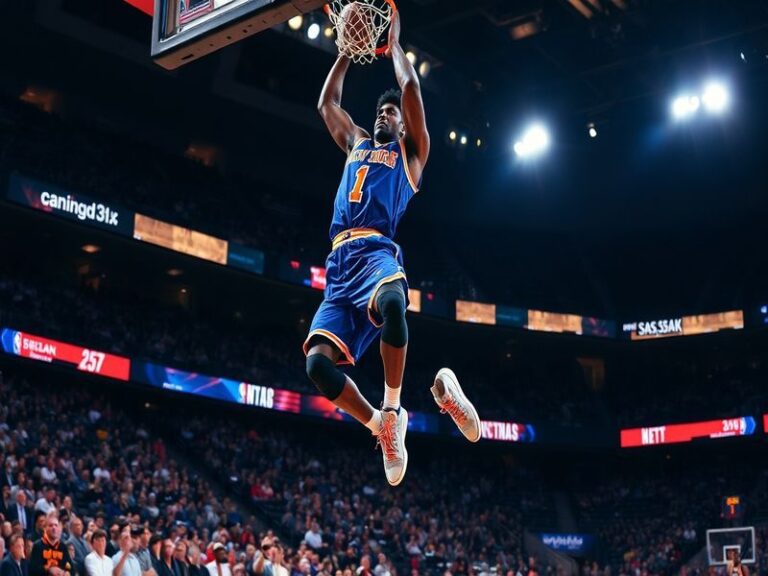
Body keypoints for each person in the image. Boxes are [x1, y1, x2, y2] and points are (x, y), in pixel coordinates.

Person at [305, 8, 480, 487]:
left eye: (391, 113)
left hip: (377, 249)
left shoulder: (411, 156)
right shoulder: (357, 143)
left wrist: (394, 45)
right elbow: (326, 103)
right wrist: (347, 49)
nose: (383, 114)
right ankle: (381, 427)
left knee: (392, 305)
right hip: (339, 261)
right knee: (317, 364)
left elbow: (411, 89)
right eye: (380, 112)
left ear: (404, 126)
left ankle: (393, 406)